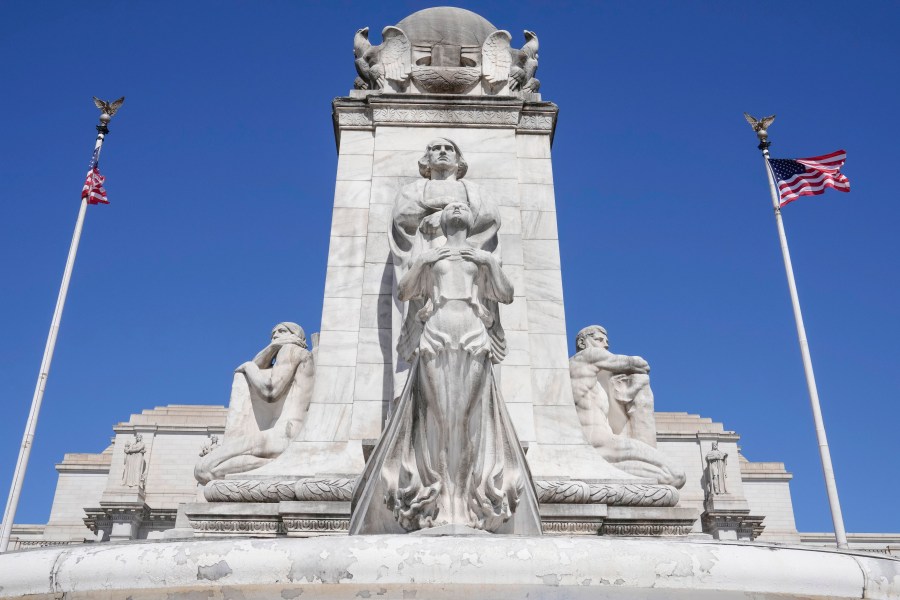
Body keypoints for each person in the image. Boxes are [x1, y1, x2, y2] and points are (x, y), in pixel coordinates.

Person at [351, 202, 540, 535]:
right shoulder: (431, 257)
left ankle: (460, 503)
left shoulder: (483, 258)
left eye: (461, 207)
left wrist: (489, 265)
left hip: (472, 331)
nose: (456, 207)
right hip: (437, 331)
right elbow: (405, 291)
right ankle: (440, 498)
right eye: (450, 207)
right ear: (439, 221)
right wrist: (420, 261)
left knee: (467, 419)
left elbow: (507, 295)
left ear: (471, 220)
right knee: (439, 419)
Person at [389, 138, 503, 398]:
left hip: (466, 259)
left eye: (448, 149)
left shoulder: (471, 189)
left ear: (458, 160)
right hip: (426, 254)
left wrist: (442, 220)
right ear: (426, 159)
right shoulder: (415, 189)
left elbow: (490, 218)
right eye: (434, 149)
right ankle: (414, 387)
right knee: (421, 314)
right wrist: (441, 219)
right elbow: (401, 217)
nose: (441, 152)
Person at [194, 322, 314, 484]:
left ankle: (288, 464)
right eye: (273, 334)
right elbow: (261, 365)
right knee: (207, 471)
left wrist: (248, 366)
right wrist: (271, 349)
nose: (275, 336)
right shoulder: (298, 355)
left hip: (284, 434)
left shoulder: (291, 350)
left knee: (204, 468)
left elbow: (270, 390)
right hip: (283, 434)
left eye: (281, 331)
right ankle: (281, 465)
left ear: (295, 336)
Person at [569, 325, 686, 488]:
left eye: (607, 341)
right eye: (599, 340)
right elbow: (639, 364)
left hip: (600, 443)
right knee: (675, 474)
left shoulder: (589, 378)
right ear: (582, 342)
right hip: (599, 442)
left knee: (671, 477)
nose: (605, 345)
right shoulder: (586, 356)